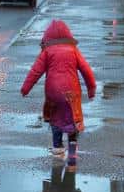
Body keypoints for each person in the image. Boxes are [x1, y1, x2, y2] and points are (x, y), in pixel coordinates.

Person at [21, 20, 96, 168]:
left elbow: (35, 71)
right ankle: (72, 153)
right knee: (73, 120)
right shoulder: (73, 50)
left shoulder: (47, 52)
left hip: (53, 93)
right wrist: (91, 89)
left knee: (56, 120)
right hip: (72, 93)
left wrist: (26, 88)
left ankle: (57, 151)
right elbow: (86, 70)